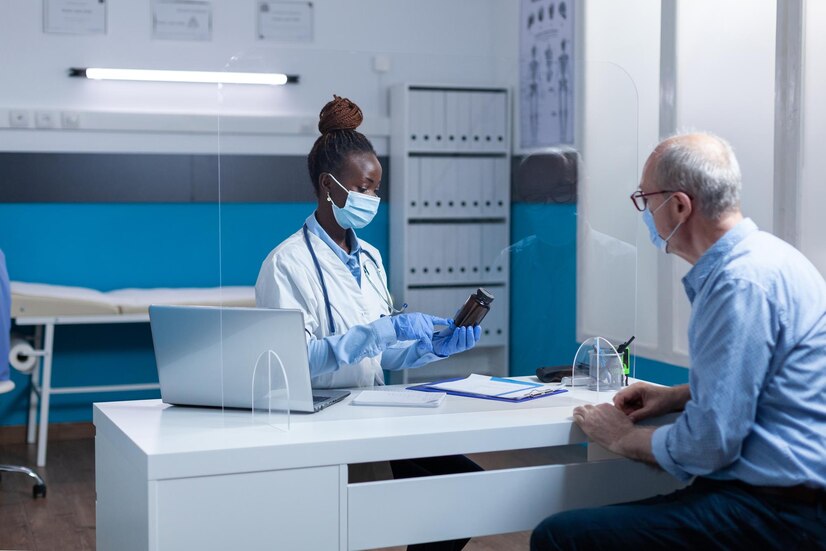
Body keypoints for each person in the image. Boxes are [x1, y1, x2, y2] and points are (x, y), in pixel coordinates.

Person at [531, 132, 826, 550]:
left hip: (776, 514)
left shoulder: (738, 285)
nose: (645, 212)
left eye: (645, 200)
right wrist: (676, 396)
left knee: (559, 537)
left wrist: (620, 436)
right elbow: (765, 381)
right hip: (784, 500)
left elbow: (708, 446)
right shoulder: (769, 259)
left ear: (680, 206)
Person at [256, 95, 482, 550]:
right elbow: (293, 363)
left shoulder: (372, 259)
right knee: (359, 527)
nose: (372, 199)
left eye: (376, 189)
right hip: (317, 422)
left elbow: (383, 349)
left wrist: (432, 346)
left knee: (464, 488)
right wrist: (388, 329)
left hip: (372, 413)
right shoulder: (286, 264)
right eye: (362, 188)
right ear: (328, 185)